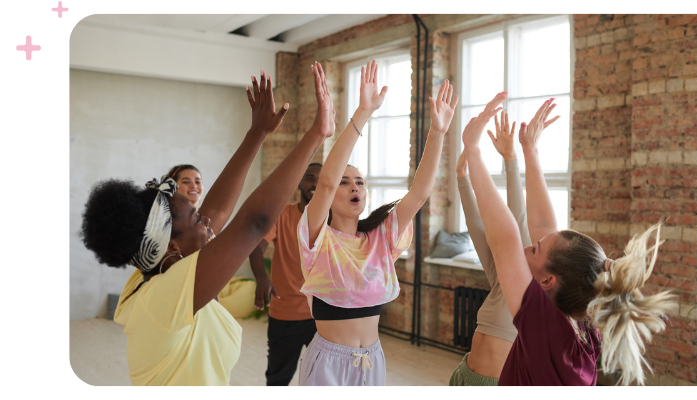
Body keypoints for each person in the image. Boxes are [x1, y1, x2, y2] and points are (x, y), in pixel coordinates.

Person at [79, 64, 335, 385]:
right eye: (198, 220)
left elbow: (217, 210)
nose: (208, 222)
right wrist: (316, 134)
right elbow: (253, 223)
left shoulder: (152, 273)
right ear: (171, 246)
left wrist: (257, 133)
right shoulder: (166, 296)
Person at [460, 94, 676, 386]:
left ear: (548, 281)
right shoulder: (583, 326)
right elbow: (544, 226)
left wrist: (473, 150)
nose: (528, 245)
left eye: (534, 249)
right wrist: (530, 150)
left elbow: (505, 240)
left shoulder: (546, 328)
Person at [296, 60, 458, 386]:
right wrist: (363, 113)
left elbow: (421, 193)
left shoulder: (381, 238)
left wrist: (438, 132)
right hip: (329, 361)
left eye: (360, 181)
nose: (355, 186)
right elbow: (325, 182)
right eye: (346, 182)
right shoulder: (317, 237)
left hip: (372, 360)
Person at [449, 111, 528, 386]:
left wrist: (512, 161)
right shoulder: (501, 281)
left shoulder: (532, 293)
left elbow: (516, 222)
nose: (530, 244)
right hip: (462, 376)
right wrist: (462, 177)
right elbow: (476, 228)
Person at [248, 162, 322, 386]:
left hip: (322, 317)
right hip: (285, 314)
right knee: (278, 379)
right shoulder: (283, 214)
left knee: (324, 379)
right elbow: (255, 248)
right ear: (300, 182)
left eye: (321, 179)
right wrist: (262, 279)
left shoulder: (335, 219)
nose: (315, 184)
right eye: (310, 178)